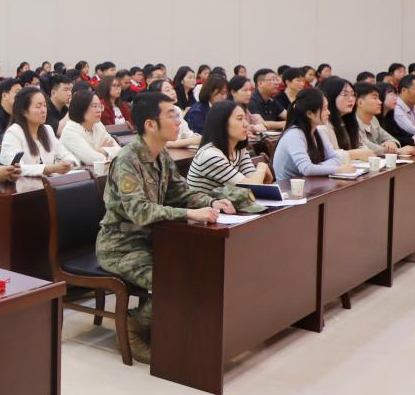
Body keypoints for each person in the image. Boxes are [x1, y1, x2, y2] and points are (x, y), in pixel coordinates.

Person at [96, 93, 255, 364]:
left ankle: (187, 331)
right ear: (150, 124)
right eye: (171, 115)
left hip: (155, 240)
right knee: (175, 278)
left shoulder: (161, 156)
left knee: (202, 269)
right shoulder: (127, 160)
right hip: (121, 247)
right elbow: (139, 211)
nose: (178, 121)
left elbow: (182, 192)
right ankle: (135, 326)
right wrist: (190, 213)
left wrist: (210, 202)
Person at [272, 89, 356, 180]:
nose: (328, 112)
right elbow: (307, 169)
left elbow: (335, 158)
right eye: (324, 109)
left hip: (309, 183)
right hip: (289, 186)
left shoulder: (317, 131)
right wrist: (338, 169)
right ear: (310, 114)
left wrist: (317, 167)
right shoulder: (294, 134)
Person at [186, 102, 270, 192]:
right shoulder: (211, 155)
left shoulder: (239, 149)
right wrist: (262, 166)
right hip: (206, 201)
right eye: (240, 119)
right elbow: (254, 187)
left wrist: (259, 173)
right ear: (222, 123)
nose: (246, 124)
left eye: (245, 119)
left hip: (227, 200)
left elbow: (252, 179)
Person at [0, 88, 78, 176]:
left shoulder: (47, 130)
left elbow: (66, 155)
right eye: (38, 106)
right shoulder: (13, 133)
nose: (44, 110)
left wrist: (69, 163)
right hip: (24, 184)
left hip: (48, 181)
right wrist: (50, 168)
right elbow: (16, 169)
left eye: (45, 106)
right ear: (23, 111)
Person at [57, 89, 121, 168]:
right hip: (74, 174)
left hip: (97, 172)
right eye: (94, 106)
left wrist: (102, 150)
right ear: (81, 108)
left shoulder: (98, 125)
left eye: (100, 106)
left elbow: (120, 151)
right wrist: (106, 152)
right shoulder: (70, 131)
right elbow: (92, 159)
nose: (99, 110)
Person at [317, 77, 375, 162]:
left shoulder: (348, 121)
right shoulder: (321, 125)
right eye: (345, 94)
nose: (351, 99)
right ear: (330, 96)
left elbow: (361, 146)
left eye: (353, 94)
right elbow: (326, 156)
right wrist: (355, 154)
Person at [353, 82, 414, 156]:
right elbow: (366, 146)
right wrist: (397, 151)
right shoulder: (352, 122)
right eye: (375, 98)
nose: (380, 102)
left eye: (379, 98)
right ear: (360, 102)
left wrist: (391, 143)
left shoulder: (373, 119)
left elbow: (391, 139)